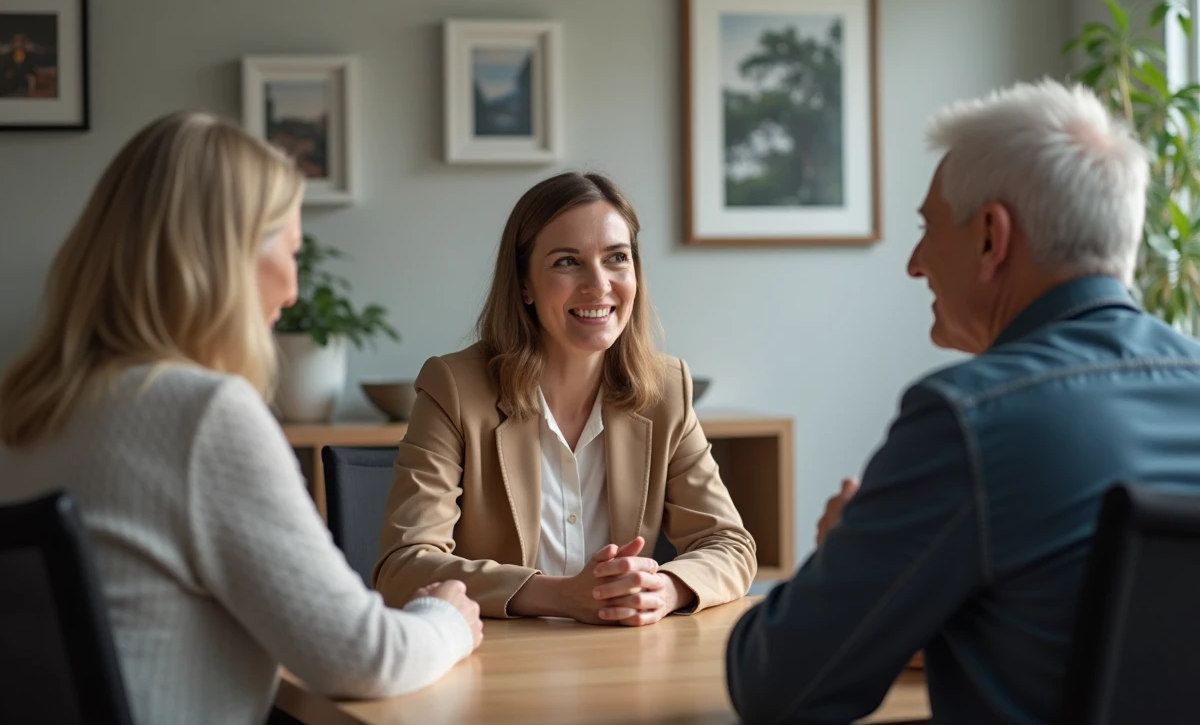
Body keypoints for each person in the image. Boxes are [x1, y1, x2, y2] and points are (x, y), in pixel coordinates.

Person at [725, 78, 1200, 724]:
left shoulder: (971, 421)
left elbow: (776, 686)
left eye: (928, 227)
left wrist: (843, 559)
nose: (915, 263)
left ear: (990, 238)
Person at [0, 112, 483, 725]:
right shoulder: (200, 415)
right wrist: (448, 619)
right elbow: (363, 657)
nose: (293, 290)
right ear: (229, 257)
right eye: (292, 252)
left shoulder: (25, 409)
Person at [373, 171, 756, 625]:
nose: (599, 284)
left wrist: (665, 589)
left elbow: (730, 545)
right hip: (500, 655)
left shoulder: (666, 389)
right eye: (567, 262)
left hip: (622, 652)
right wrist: (559, 596)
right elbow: (403, 565)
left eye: (617, 258)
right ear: (524, 285)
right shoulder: (454, 389)